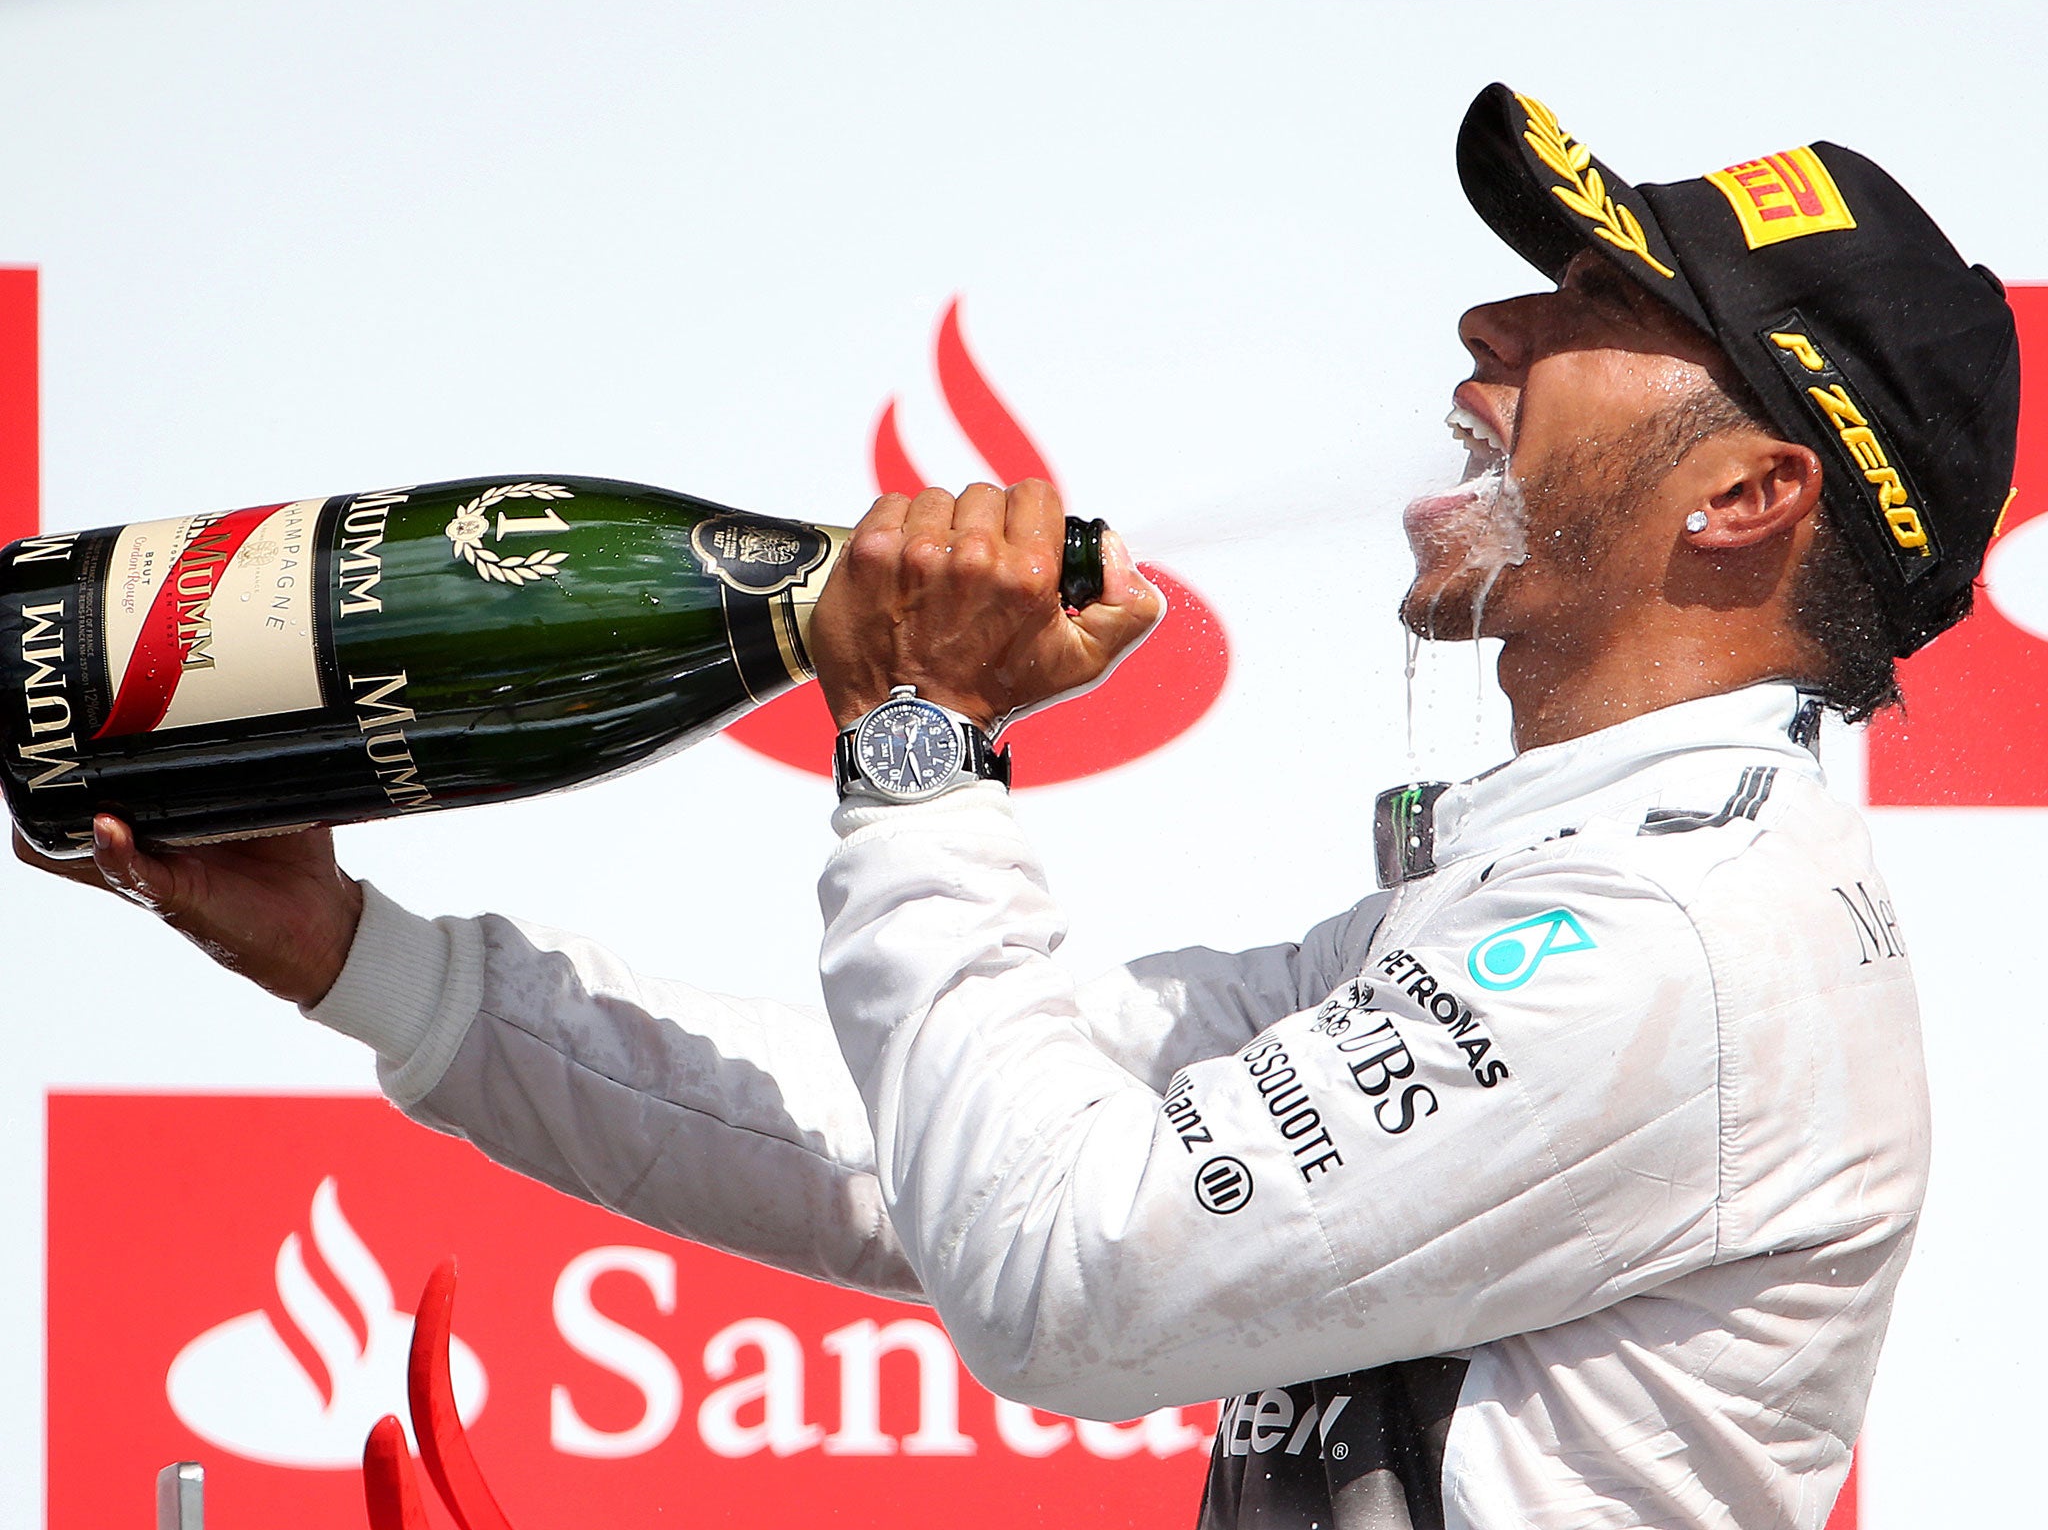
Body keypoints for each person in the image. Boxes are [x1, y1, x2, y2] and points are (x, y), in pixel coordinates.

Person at [15, 84, 2021, 1530]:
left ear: (1747, 497)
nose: (1487, 334)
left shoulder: (1667, 956)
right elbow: (939, 1164)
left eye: (1594, 303)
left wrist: (915, 740)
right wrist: (368, 965)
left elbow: (1065, 1281)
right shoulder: (1607, 886)